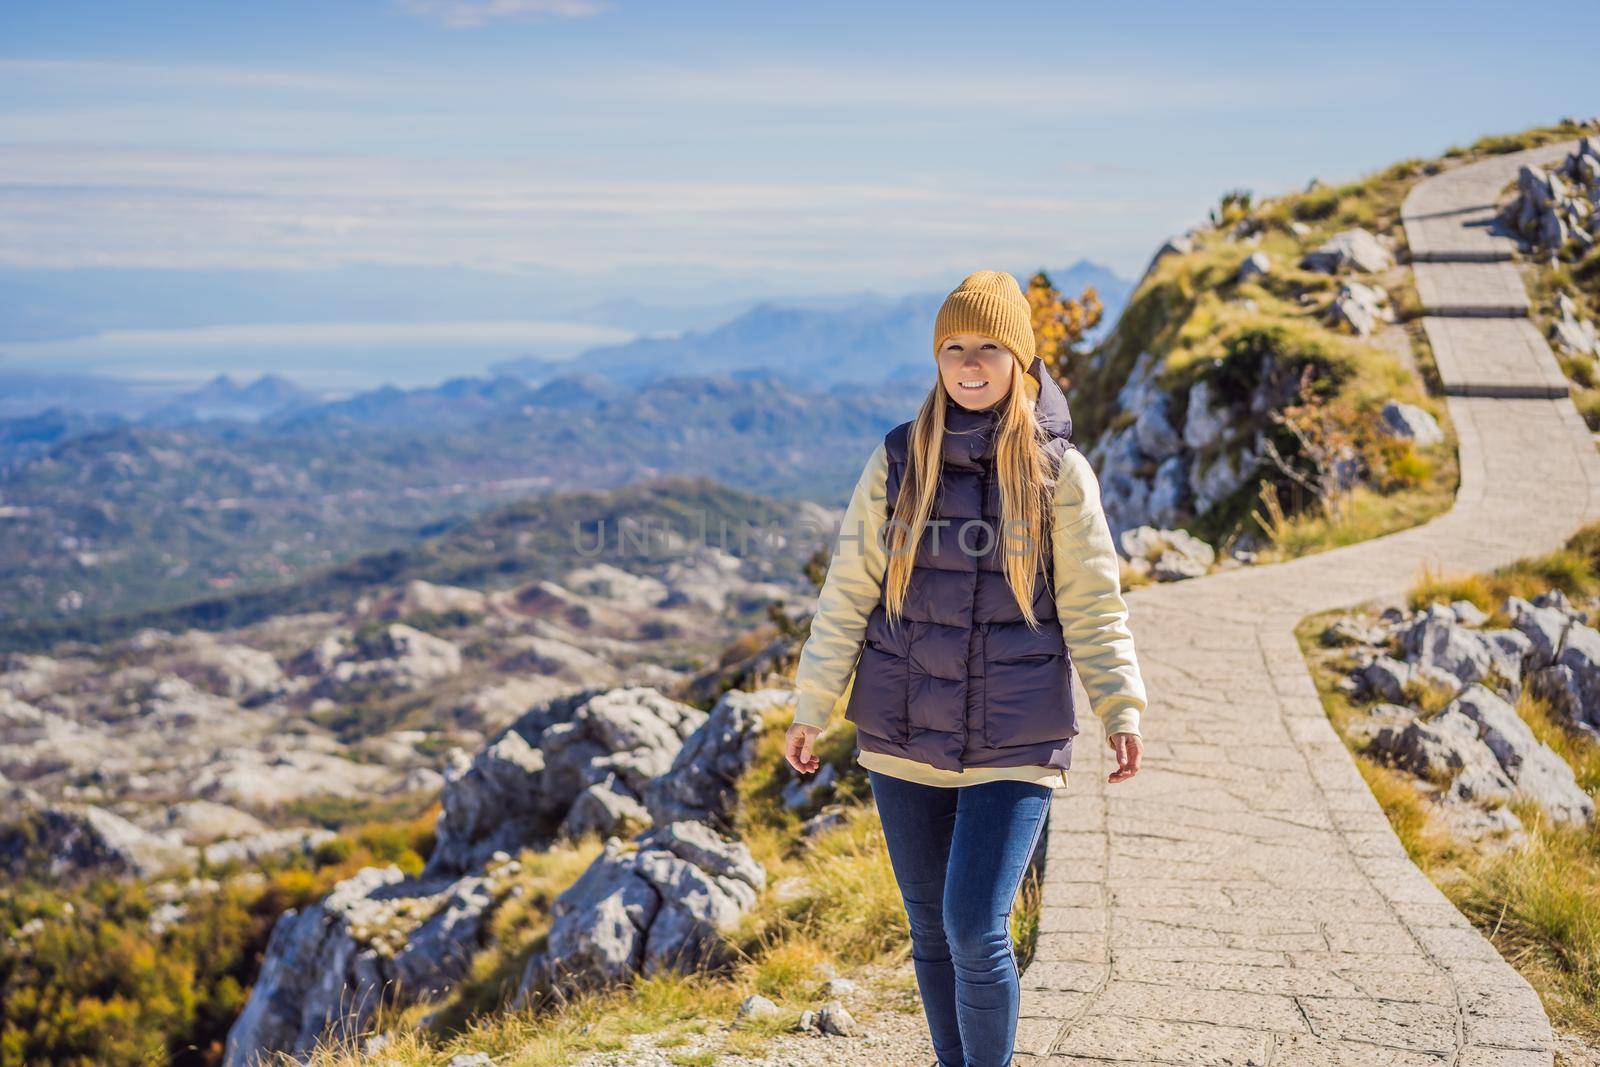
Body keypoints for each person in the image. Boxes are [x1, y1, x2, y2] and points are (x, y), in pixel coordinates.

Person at [782, 269, 1147, 1067]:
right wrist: (812, 703)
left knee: (976, 925)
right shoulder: (898, 461)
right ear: (936, 358)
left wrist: (1121, 705)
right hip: (901, 732)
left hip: (1016, 737)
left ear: (1020, 356)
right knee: (930, 929)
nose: (969, 364)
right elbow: (848, 592)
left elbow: (1094, 603)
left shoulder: (1059, 471)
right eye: (953, 348)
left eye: (988, 347)